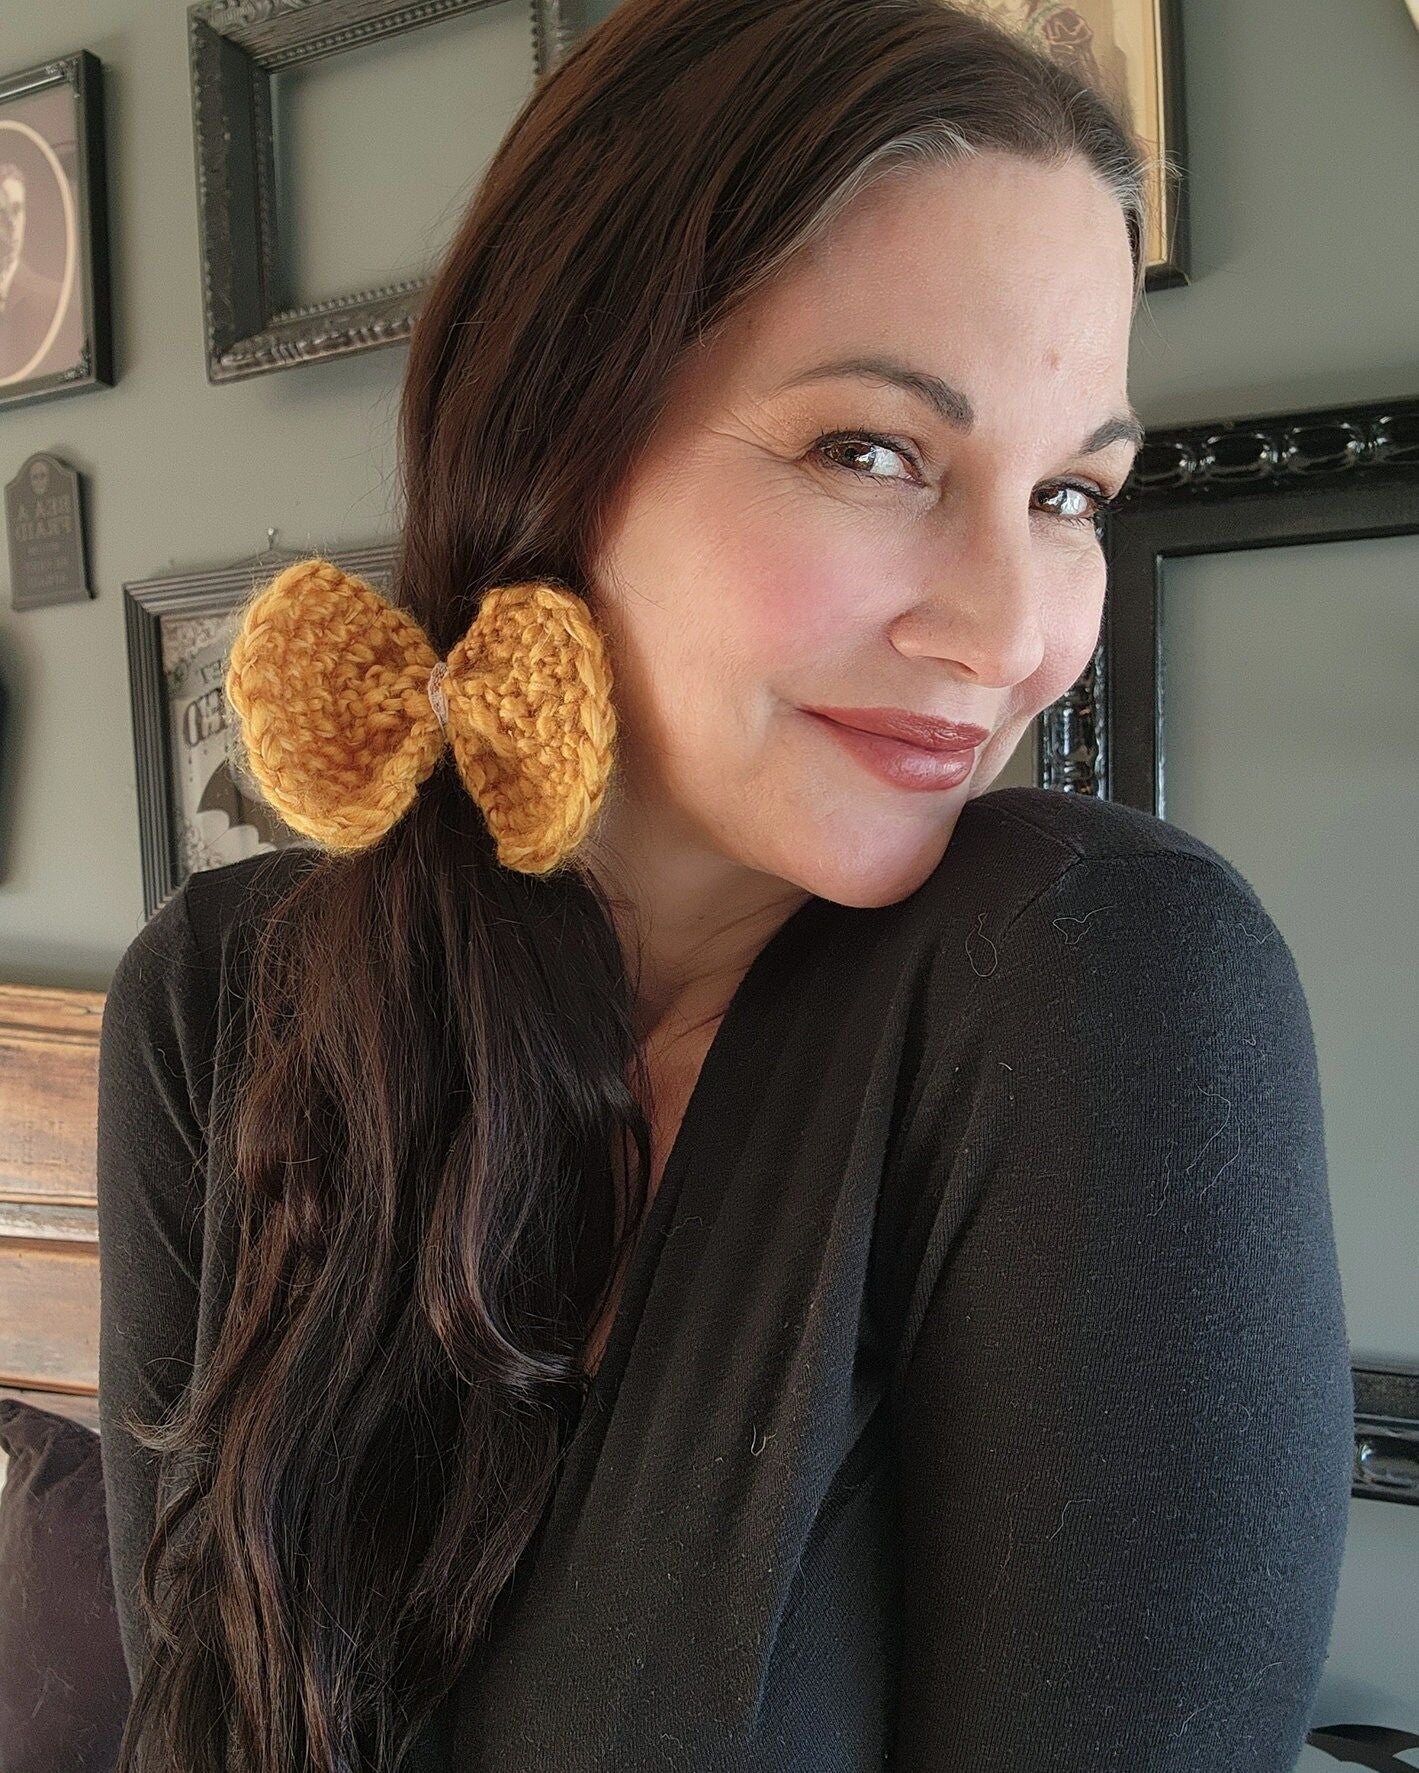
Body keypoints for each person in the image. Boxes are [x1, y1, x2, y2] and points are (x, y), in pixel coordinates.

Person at [95, 0, 1354, 1767]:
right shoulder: (214, 1001)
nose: (1010, 635)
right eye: (874, 451)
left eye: (1072, 495)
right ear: (554, 436)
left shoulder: (1099, 982)